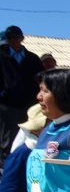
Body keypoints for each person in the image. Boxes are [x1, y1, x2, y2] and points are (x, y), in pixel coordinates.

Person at [1, 25, 46, 162]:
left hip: (28, 106)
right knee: (6, 136)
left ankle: (25, 161)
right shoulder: (1, 56)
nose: (12, 41)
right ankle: (6, 163)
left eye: (14, 37)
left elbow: (41, 79)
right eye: (9, 38)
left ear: (21, 38)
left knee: (27, 135)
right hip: (6, 105)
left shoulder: (32, 59)